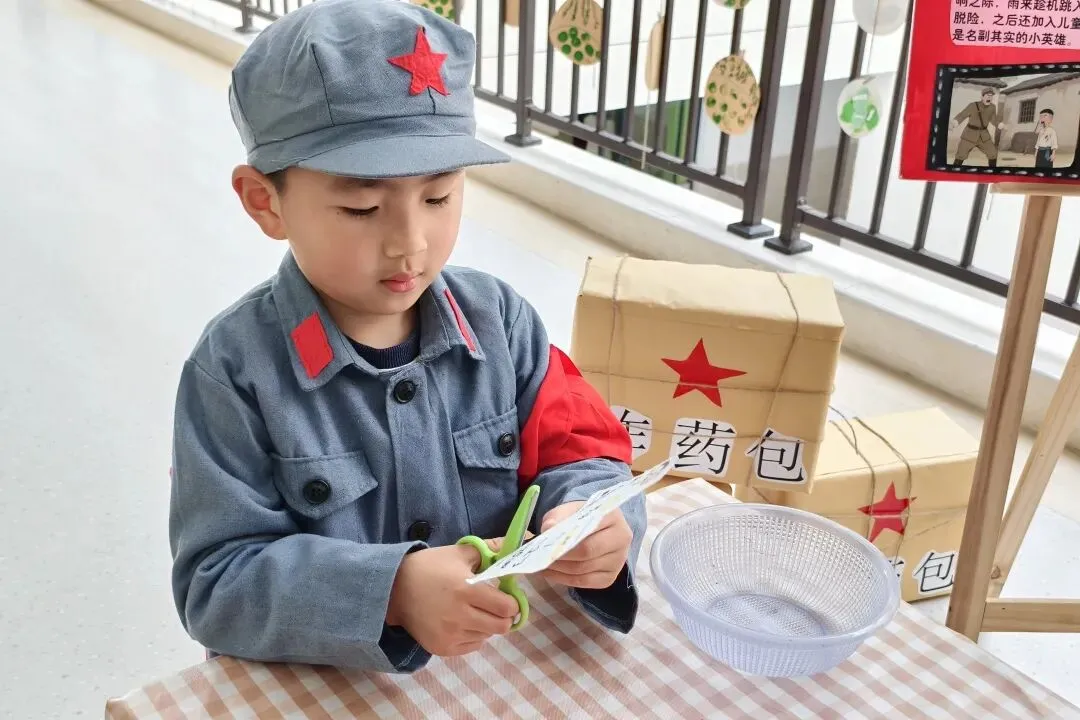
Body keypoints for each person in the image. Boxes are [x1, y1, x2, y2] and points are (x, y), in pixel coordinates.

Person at [168, 0, 645, 673]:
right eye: (362, 206)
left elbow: (588, 453)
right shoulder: (234, 373)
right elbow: (216, 585)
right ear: (264, 202)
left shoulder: (503, 323)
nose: (410, 244)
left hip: (494, 676)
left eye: (439, 197)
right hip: (335, 689)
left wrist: (591, 519)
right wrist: (388, 592)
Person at [950, 87, 1007, 168]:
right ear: (982, 97)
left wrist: (999, 124)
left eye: (991, 96)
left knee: (993, 153)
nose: (989, 98)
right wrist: (954, 123)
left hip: (983, 135)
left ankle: (992, 172)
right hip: (969, 135)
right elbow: (962, 115)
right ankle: (954, 172)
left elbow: (993, 119)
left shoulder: (992, 107)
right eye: (987, 96)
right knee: (960, 155)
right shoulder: (973, 105)